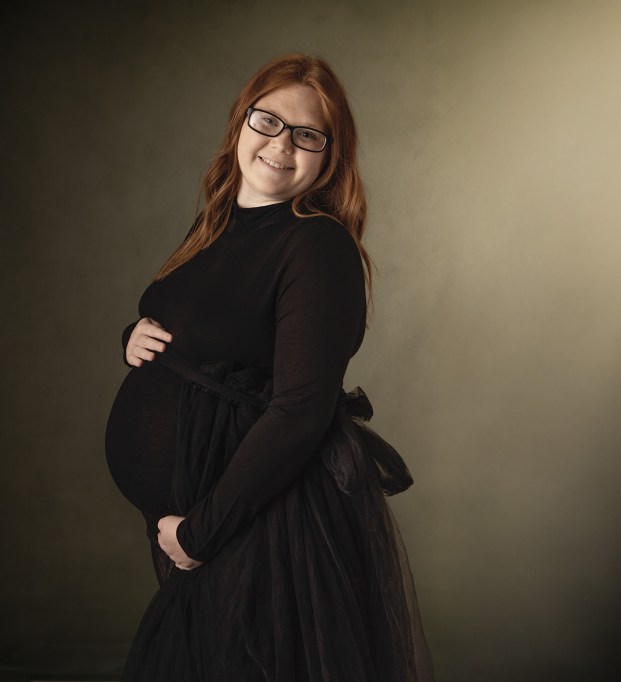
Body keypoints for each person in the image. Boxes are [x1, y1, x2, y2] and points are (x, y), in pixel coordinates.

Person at [105, 53, 434, 681]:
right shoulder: (215, 223)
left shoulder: (317, 245)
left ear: (330, 156)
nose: (283, 145)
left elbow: (302, 410)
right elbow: (206, 325)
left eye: (309, 135)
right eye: (269, 122)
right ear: (241, 124)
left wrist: (202, 534)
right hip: (205, 518)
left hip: (257, 524)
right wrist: (135, 336)